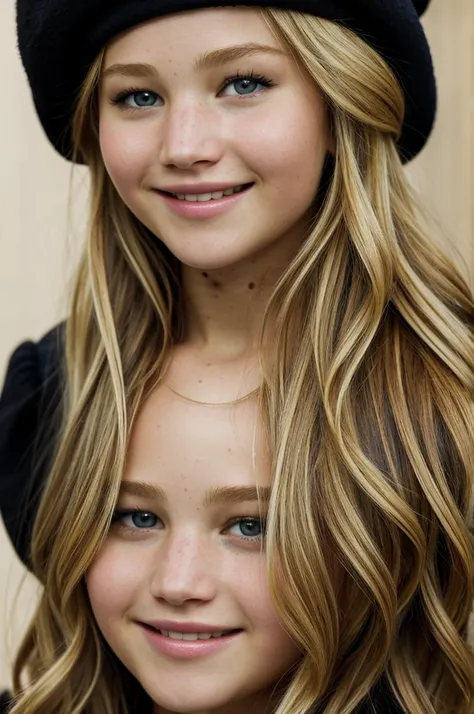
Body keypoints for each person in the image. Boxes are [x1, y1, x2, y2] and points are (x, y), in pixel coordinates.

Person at [1, 0, 473, 712]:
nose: (184, 144)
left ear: (341, 99)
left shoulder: (452, 412)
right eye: (138, 96)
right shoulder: (60, 402)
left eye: (244, 84)